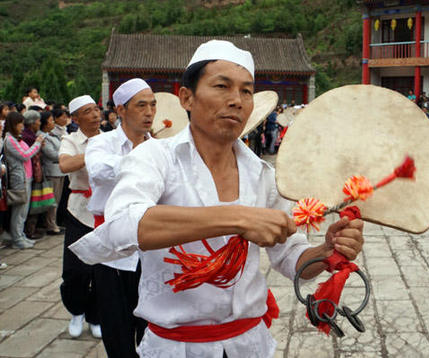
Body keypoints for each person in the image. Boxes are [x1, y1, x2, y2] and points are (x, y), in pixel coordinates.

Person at [70, 40, 364, 358]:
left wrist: (324, 251)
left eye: (247, 91)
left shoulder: (261, 174)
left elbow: (291, 258)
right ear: (187, 97)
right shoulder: (156, 157)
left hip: (248, 344)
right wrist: (237, 217)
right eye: (222, 86)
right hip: (175, 347)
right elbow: (119, 226)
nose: (236, 101)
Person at [85, 78, 152, 357]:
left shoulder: (159, 146)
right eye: (141, 105)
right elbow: (99, 170)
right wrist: (145, 157)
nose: (149, 112)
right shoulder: (102, 143)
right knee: (116, 324)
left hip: (152, 245)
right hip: (112, 247)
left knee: (153, 322)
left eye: (153, 104)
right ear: (121, 110)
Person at [58, 95, 102, 339]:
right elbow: (64, 165)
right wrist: (95, 151)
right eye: (88, 111)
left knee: (100, 269)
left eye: (96, 109)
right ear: (76, 118)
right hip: (78, 210)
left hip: (105, 210)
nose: (95, 115)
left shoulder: (110, 138)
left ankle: (95, 316)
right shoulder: (70, 140)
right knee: (75, 270)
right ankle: (76, 311)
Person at [3, 112, 44, 249]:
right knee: (19, 211)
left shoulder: (16, 138)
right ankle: (17, 239)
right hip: (19, 179)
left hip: (27, 177)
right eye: (19, 123)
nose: (22, 126)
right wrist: (37, 144)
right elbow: (25, 155)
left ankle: (20, 236)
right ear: (13, 125)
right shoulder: (9, 140)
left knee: (23, 211)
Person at [39, 111, 65, 235]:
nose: (53, 123)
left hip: (59, 171)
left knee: (57, 199)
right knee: (52, 200)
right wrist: (65, 155)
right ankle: (50, 224)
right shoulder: (42, 137)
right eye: (50, 120)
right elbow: (52, 154)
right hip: (52, 171)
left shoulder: (51, 135)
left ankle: (53, 222)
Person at [21, 110, 44, 240]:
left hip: (32, 172)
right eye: (38, 121)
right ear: (33, 122)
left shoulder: (31, 135)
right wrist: (38, 144)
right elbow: (28, 154)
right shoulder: (28, 137)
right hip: (28, 173)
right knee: (27, 206)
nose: (39, 123)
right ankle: (28, 231)